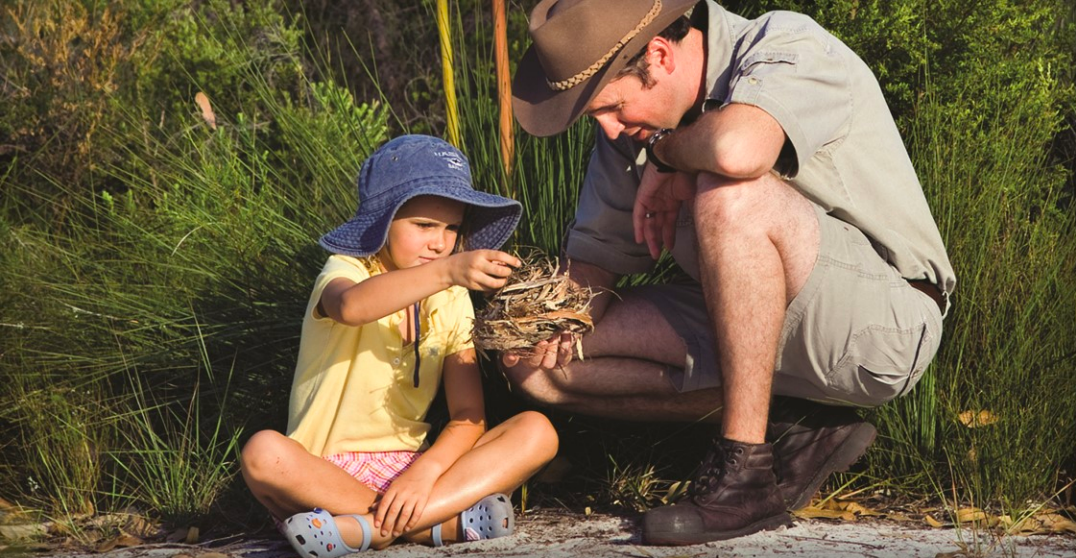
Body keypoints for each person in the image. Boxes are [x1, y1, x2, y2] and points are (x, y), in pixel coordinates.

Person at [505, 0, 955, 545]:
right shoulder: (632, 126)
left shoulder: (785, 46)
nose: (610, 127)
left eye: (613, 107)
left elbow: (738, 149)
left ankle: (743, 477)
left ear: (660, 54)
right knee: (530, 363)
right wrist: (544, 323)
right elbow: (594, 263)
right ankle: (796, 422)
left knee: (730, 195)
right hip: (746, 320)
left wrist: (669, 156)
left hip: (881, 327)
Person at [241, 134, 559, 554]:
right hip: (323, 473)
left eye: (452, 229)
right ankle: (438, 527)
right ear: (383, 223)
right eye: (425, 225)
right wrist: (448, 272)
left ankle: (363, 531)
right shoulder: (347, 269)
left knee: (538, 432)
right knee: (264, 453)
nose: (441, 243)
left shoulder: (450, 297)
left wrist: (423, 473)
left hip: (411, 471)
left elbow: (468, 416)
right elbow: (351, 306)